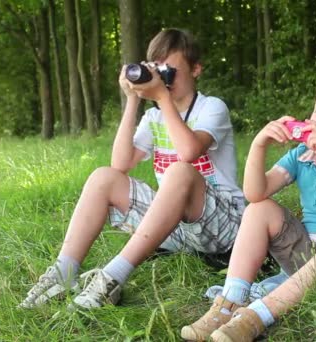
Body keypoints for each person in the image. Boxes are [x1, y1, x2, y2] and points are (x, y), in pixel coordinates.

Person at [19, 28, 244, 310]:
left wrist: (161, 97)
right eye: (157, 70)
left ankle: (111, 278)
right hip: (175, 228)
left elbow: (188, 152)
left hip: (226, 225)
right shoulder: (153, 116)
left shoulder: (212, 107)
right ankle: (62, 273)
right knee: (103, 177)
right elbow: (120, 165)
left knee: (180, 171)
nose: (163, 79)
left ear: (196, 69)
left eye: (169, 71)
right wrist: (134, 99)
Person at [181, 67, 316, 341]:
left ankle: (258, 316)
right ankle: (229, 302)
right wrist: (259, 144)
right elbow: (255, 193)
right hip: (309, 257)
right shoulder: (302, 155)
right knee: (260, 209)